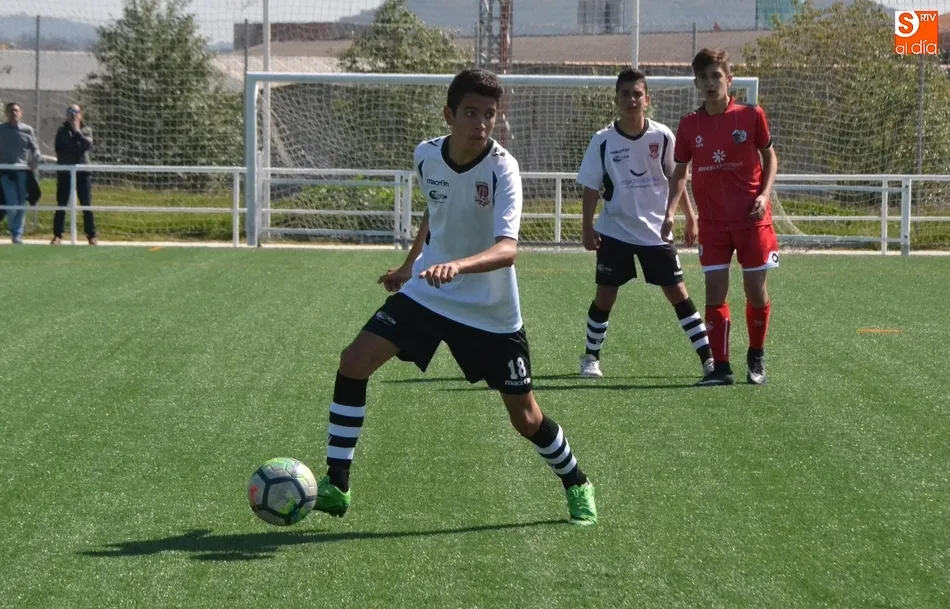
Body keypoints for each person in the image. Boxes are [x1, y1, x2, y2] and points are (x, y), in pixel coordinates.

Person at [314, 69, 598, 526]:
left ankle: (576, 481)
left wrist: (458, 266)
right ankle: (337, 483)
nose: (480, 123)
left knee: (526, 418)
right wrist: (410, 266)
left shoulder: (503, 168)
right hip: (429, 292)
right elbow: (437, 208)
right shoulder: (426, 154)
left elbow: (508, 250)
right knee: (354, 361)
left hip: (490, 310)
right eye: (470, 112)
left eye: (489, 114)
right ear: (449, 114)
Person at [576, 68, 715, 383]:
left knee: (678, 293)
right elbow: (590, 187)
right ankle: (591, 358)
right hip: (614, 230)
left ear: (647, 99)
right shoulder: (602, 140)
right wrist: (587, 227)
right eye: (625, 94)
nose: (631, 100)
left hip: (656, 232)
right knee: (605, 296)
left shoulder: (662, 136)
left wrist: (688, 216)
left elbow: (677, 178)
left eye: (637, 94)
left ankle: (709, 360)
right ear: (616, 99)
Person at [663, 48, 779, 385]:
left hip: (751, 219)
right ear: (696, 84)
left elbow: (770, 157)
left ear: (729, 79)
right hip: (713, 223)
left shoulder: (751, 115)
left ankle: (756, 354)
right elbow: (680, 172)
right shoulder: (689, 124)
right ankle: (721, 367)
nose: (711, 83)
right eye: (704, 77)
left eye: (717, 76)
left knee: (755, 290)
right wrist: (672, 212)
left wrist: (764, 194)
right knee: (714, 290)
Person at [53, 104, 97, 245]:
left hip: (83, 172)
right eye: (70, 111)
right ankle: (57, 235)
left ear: (80, 114)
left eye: (75, 111)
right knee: (61, 203)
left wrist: (77, 131)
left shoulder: (87, 129)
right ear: (66, 114)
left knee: (86, 204)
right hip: (65, 172)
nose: (73, 114)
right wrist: (76, 144)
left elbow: (87, 145)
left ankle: (91, 235)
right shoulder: (61, 130)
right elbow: (60, 148)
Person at [0, 102, 41, 244]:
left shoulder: (27, 130)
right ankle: (13, 229)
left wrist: (35, 159)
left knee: (22, 203)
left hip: (22, 172)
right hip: (6, 172)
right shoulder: (1, 130)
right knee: (12, 202)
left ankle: (17, 234)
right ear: (6, 113)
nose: (14, 113)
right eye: (11, 111)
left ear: (21, 113)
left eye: (16, 110)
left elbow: (35, 149)